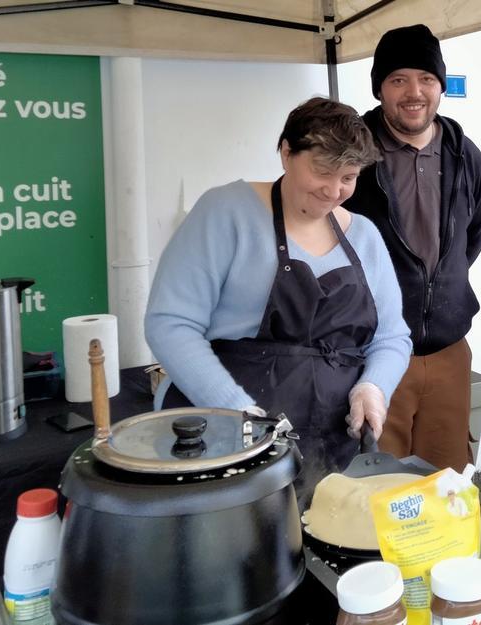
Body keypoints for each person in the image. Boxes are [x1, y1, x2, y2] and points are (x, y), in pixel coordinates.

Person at [144, 97, 413, 489]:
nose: (333, 191)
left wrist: (374, 387)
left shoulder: (365, 236)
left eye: (349, 177)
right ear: (286, 152)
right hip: (226, 437)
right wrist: (236, 411)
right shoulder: (226, 212)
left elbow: (391, 338)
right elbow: (170, 323)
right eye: (323, 171)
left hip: (333, 442)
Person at [344, 24, 481, 471]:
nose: (414, 92)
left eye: (427, 79)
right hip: (372, 359)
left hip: (448, 355)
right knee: (375, 492)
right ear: (380, 89)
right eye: (398, 79)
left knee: (445, 487)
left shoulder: (465, 155)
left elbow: (472, 238)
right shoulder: (352, 155)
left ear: (440, 87)